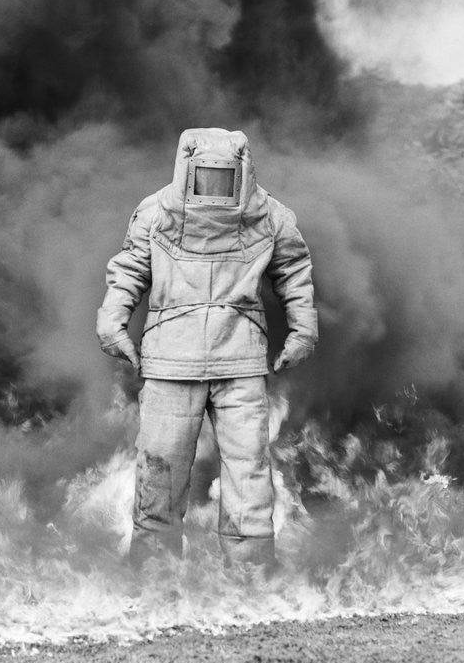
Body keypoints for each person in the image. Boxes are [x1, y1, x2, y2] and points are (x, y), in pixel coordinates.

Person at [96, 128, 317, 569]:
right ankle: (171, 570)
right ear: (186, 168)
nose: (214, 189)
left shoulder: (265, 217)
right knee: (172, 470)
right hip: (193, 365)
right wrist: (111, 321)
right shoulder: (163, 213)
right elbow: (130, 270)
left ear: (244, 170)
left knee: (233, 471)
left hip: (217, 363)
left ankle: (234, 570)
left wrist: (303, 330)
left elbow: (294, 271)